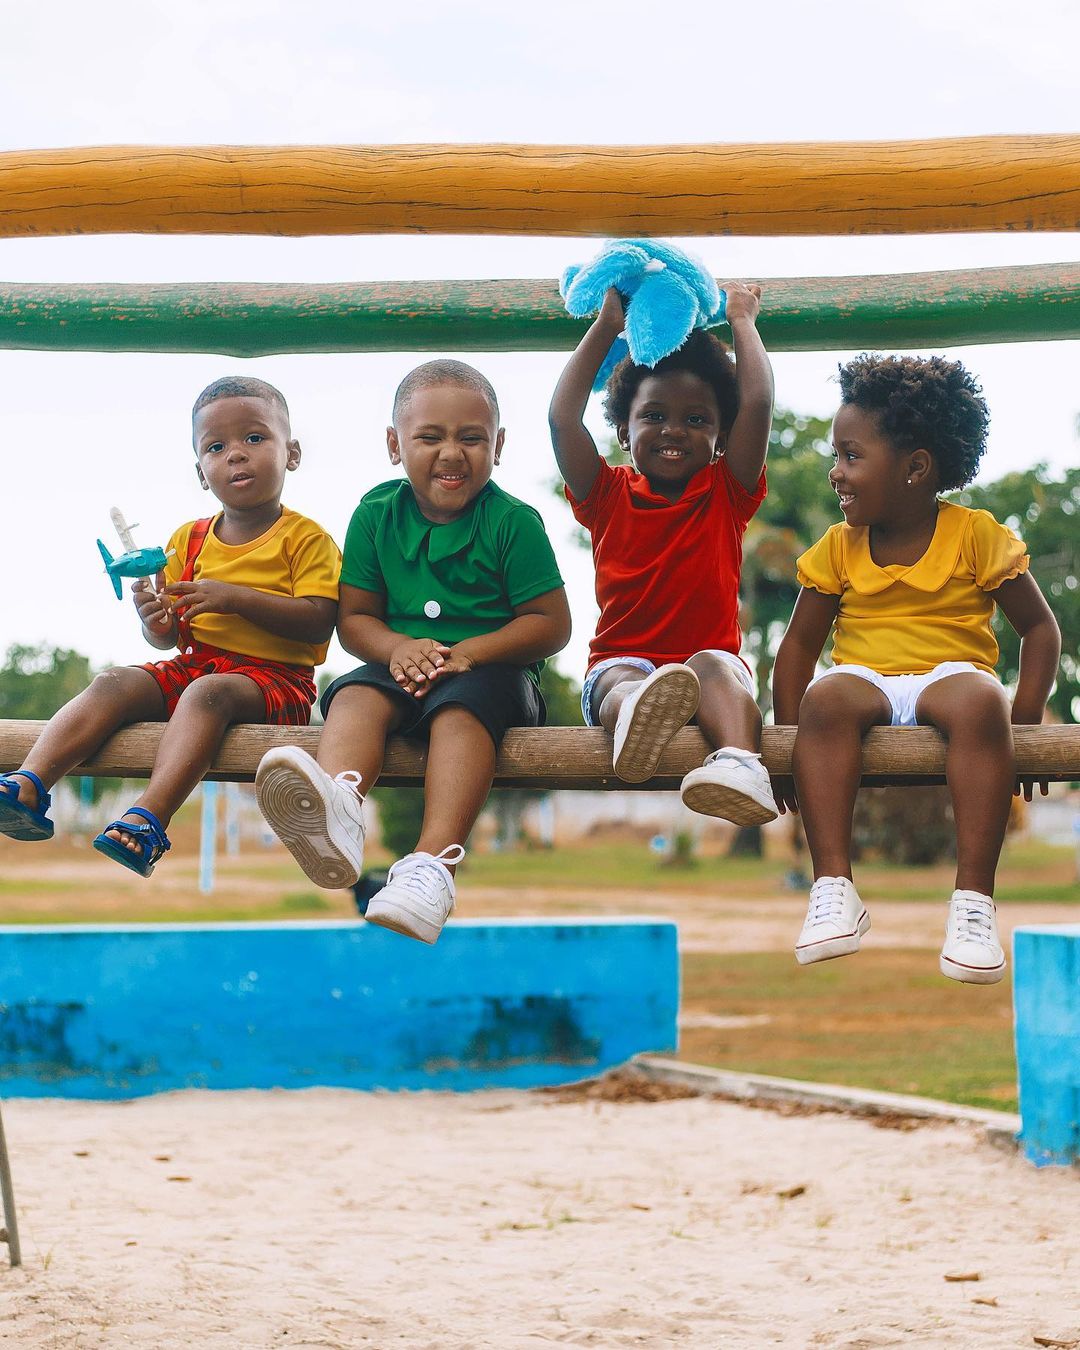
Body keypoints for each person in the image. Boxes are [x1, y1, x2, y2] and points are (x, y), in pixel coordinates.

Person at [255, 360, 570, 944]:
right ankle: (339, 803)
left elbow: (552, 625)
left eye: (471, 437)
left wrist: (470, 653)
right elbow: (354, 621)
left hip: (494, 679)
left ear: (497, 445)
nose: (451, 452)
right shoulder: (376, 515)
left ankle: (432, 866)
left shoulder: (513, 523)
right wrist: (397, 648)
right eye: (430, 437)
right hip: (399, 667)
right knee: (351, 694)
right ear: (394, 445)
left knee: (460, 708)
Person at [772, 354, 1061, 983]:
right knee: (826, 699)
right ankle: (832, 890)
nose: (836, 472)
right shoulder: (838, 546)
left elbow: (1039, 629)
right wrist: (788, 742)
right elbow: (797, 650)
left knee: (982, 702)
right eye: (837, 455)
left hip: (952, 671)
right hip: (866, 674)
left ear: (915, 469)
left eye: (851, 455)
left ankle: (973, 901)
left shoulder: (975, 535)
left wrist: (1029, 719)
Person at [0, 376, 341, 876]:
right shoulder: (191, 538)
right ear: (202, 472)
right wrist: (155, 620)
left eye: (254, 438)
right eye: (216, 446)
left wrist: (235, 598)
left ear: (291, 453)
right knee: (114, 681)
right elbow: (173, 635)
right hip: (199, 665)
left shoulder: (305, 538)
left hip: (277, 681)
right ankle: (28, 784)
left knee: (206, 692)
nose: (236, 455)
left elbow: (319, 622)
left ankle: (147, 822)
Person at [548, 283, 777, 824]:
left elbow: (759, 401)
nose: (673, 429)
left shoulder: (727, 491)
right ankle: (636, 720)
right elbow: (562, 419)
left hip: (709, 664)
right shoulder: (605, 495)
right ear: (624, 432)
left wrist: (744, 321)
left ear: (722, 436)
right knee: (615, 687)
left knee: (714, 669)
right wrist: (606, 326)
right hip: (623, 662)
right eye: (653, 416)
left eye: (697, 420)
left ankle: (742, 765)